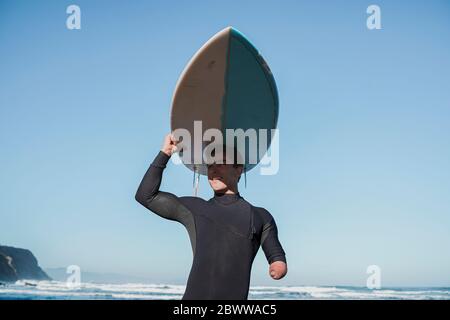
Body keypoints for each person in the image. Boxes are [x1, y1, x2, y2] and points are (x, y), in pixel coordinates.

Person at [135, 133, 287, 300]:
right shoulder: (195, 208)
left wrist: (278, 265)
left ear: (239, 169)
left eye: (220, 164)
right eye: (210, 165)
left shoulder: (260, 216)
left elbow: (276, 255)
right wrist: (165, 152)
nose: (213, 169)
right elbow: (145, 196)